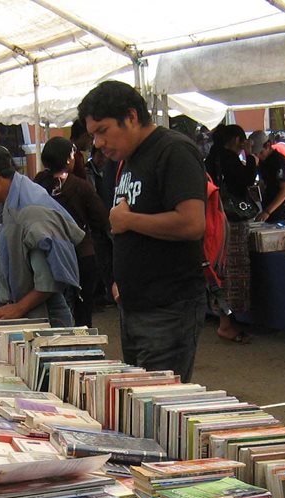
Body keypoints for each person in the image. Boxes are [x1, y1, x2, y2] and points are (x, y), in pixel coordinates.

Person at [78, 81, 207, 381]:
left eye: (102, 130)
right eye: (93, 134)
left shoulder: (173, 151)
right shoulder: (121, 161)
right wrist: (116, 279)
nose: (97, 142)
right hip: (133, 305)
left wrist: (130, 221)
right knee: (137, 400)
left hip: (169, 307)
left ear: (131, 117)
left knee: (157, 404)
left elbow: (191, 223)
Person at [0, 143, 80, 328]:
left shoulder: (30, 208)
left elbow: (48, 279)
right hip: (23, 313)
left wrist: (18, 308)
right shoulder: (5, 203)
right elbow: (5, 264)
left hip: (45, 318)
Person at [33, 136, 109, 327]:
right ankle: (83, 349)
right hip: (80, 253)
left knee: (56, 309)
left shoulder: (38, 184)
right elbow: (102, 218)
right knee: (83, 312)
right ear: (68, 159)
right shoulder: (81, 186)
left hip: (47, 254)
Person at [205, 123, 257, 344]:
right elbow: (246, 180)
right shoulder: (229, 158)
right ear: (237, 140)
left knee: (219, 271)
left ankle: (224, 319)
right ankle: (226, 324)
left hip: (214, 219)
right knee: (233, 272)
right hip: (232, 221)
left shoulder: (210, 158)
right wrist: (251, 156)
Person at [257, 132, 285, 226]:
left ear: (268, 145)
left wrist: (267, 211)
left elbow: (284, 190)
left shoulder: (278, 160)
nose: (259, 156)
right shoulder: (263, 162)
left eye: (261, 152)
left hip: (282, 213)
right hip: (269, 211)